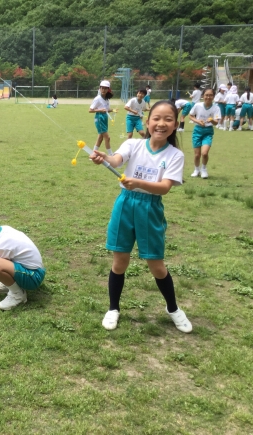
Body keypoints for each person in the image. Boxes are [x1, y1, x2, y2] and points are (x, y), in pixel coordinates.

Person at [89, 100, 192, 333]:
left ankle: (173, 309)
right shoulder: (133, 144)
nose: (161, 124)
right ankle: (113, 308)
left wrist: (138, 183)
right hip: (125, 205)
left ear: (175, 124)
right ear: (147, 121)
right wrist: (104, 158)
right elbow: (116, 160)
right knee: (119, 262)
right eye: (156, 118)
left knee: (156, 264)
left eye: (168, 119)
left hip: (150, 208)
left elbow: (165, 187)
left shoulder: (175, 155)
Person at [189, 88, 221, 179]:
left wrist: (212, 120)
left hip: (208, 131)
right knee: (197, 154)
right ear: (203, 96)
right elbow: (191, 116)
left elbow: (216, 122)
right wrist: (198, 121)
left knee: (204, 153)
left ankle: (203, 169)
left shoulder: (216, 108)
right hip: (197, 130)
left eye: (211, 95)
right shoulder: (197, 105)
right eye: (206, 95)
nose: (208, 97)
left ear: (213, 97)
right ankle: (196, 170)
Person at [89, 80, 115, 155]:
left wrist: (113, 110)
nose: (103, 90)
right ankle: (111, 155)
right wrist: (100, 110)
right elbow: (90, 110)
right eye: (102, 88)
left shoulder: (106, 99)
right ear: (100, 89)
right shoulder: (97, 98)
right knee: (107, 137)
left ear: (108, 89)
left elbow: (106, 110)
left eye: (105, 88)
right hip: (99, 118)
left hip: (104, 118)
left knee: (100, 138)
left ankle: (93, 154)